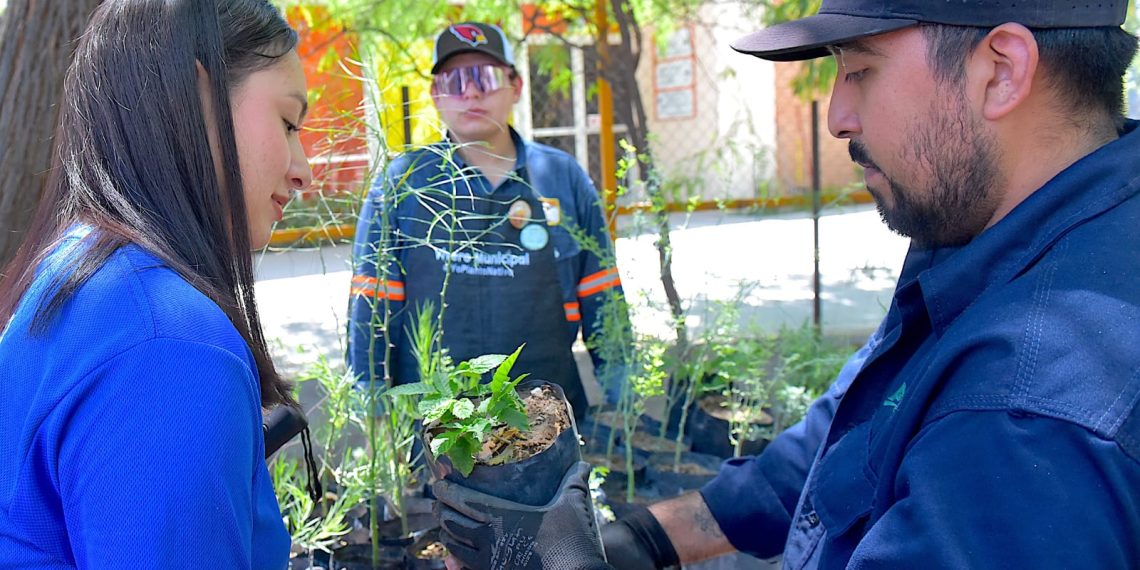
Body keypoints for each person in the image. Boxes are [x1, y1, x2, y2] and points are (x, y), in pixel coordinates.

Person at [432, 1, 1140, 568]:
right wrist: (648, 539)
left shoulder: (1029, 416)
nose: (836, 115)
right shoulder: (997, 235)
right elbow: (844, 439)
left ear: (1002, 71)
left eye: (860, 70)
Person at [0, 0, 312, 566]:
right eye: (289, 123)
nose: (304, 169)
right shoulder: (169, 341)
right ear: (196, 101)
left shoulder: (81, 266)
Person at [346, 22, 626, 417]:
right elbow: (372, 303)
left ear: (516, 86)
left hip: (547, 424)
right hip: (439, 430)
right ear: (435, 94)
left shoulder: (562, 176)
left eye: (486, 76)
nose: (472, 91)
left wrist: (622, 395)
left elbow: (603, 294)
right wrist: (371, 399)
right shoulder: (404, 182)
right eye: (455, 79)